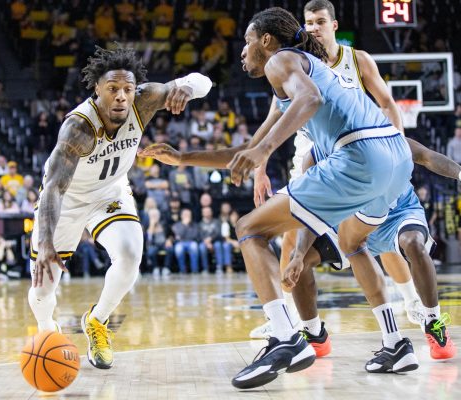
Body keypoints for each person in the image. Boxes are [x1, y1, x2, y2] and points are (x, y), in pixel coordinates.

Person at [142, 7, 416, 388]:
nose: (242, 51)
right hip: (396, 160)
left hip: (358, 157)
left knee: (249, 229)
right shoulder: (298, 71)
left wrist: (265, 150)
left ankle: (286, 337)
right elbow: (249, 146)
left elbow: (311, 101)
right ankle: (396, 342)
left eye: (246, 41)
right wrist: (184, 158)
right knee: (354, 245)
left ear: (266, 40)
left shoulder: (281, 61)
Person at [29, 46, 212, 370]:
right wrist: (44, 243)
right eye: (112, 89)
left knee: (129, 257)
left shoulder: (145, 99)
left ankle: (97, 321)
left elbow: (204, 82)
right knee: (42, 291)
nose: (121, 97)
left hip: (109, 192)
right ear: (97, 89)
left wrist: (186, 87)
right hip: (66, 199)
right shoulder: (79, 128)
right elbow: (54, 188)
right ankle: (48, 333)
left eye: (127, 89)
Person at [251, 0, 416, 340]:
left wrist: (397, 147)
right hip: (316, 155)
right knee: (293, 238)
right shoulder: (292, 64)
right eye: (308, 21)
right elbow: (271, 122)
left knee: (379, 239)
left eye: (320, 21)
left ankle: (413, 302)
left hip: (360, 153)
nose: (313, 27)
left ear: (334, 25)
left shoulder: (356, 60)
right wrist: (259, 166)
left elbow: (387, 103)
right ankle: (294, 320)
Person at [281, 146, 459, 360]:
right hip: (351, 224)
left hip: (397, 215)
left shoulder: (381, 135)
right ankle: (314, 333)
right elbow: (311, 210)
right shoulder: (314, 156)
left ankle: (433, 322)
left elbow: (426, 156)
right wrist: (299, 253)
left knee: (413, 243)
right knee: (299, 260)